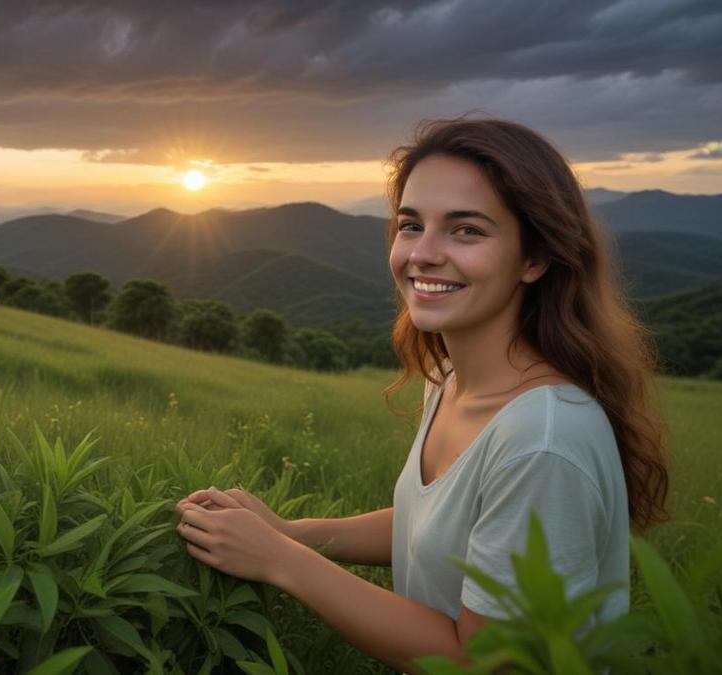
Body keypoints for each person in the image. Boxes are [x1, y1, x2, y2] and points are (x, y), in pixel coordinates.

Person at [174, 116, 670, 672]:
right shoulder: (454, 381)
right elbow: (438, 527)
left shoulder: (542, 441)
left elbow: (484, 663)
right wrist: (294, 533)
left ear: (535, 259)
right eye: (411, 225)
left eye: (467, 230)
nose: (423, 253)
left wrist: (283, 561)